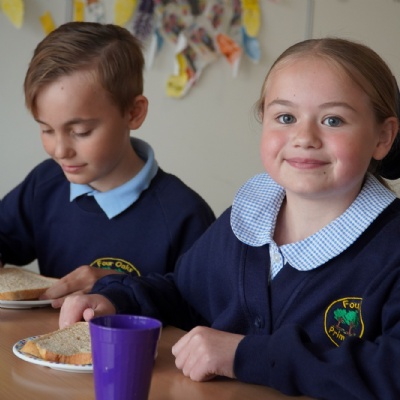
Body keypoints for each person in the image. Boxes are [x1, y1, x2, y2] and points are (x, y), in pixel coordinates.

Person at [60, 37, 400, 399]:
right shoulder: (248, 216)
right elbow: (184, 294)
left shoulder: (391, 250)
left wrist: (244, 355)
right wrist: (117, 301)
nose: (304, 138)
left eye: (333, 120)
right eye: (286, 117)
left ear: (383, 137)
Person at [0, 21, 215, 306]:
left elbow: (204, 308)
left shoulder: (185, 215)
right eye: (46, 130)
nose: (60, 150)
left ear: (133, 113)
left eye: (81, 132)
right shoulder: (45, 183)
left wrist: (121, 288)